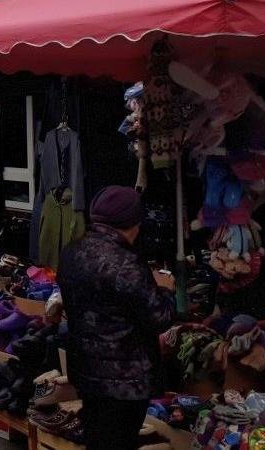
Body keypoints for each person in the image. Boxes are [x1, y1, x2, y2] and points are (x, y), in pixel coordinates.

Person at [58, 186, 176, 450]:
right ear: (133, 223)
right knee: (118, 440)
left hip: (86, 371)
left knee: (98, 438)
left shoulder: (72, 252)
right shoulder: (126, 264)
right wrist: (166, 288)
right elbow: (160, 318)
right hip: (125, 382)